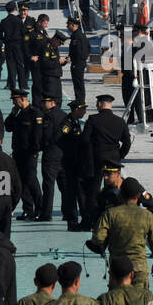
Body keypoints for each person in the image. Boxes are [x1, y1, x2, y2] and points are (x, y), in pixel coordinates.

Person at [91, 177, 153, 290]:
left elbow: (98, 238)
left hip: (118, 268)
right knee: (140, 303)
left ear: (121, 195)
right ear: (138, 196)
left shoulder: (110, 214)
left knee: (116, 303)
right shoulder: (147, 216)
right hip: (139, 268)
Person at [95, 164, 153, 243]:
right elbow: (100, 217)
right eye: (104, 174)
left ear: (118, 174)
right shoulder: (104, 194)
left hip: (135, 224)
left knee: (149, 217)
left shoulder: (132, 186)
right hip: (117, 230)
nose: (105, 177)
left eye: (109, 174)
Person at [82, 94, 131, 214]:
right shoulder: (120, 121)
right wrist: (120, 155)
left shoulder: (93, 119)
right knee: (114, 187)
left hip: (97, 158)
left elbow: (84, 140)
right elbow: (127, 142)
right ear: (111, 105)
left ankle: (91, 216)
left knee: (94, 189)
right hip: (114, 158)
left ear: (99, 104)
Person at [5, 89, 44, 221]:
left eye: (15, 100)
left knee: (31, 181)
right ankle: (28, 210)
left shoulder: (35, 113)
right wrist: (12, 114)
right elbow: (8, 127)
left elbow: (37, 135)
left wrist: (34, 151)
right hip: (18, 152)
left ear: (22, 99)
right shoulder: (19, 114)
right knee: (21, 182)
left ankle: (40, 208)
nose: (13, 102)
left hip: (29, 153)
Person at [60, 99, 92, 231]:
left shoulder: (76, 122)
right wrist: (70, 151)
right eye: (82, 109)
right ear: (76, 110)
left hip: (77, 162)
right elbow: (59, 138)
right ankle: (72, 221)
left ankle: (83, 220)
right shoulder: (67, 123)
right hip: (70, 163)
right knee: (72, 192)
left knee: (79, 191)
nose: (84, 111)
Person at [37, 95, 66, 222]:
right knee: (64, 186)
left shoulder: (48, 116)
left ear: (52, 103)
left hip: (51, 154)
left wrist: (42, 146)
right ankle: (68, 212)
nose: (43, 104)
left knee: (48, 185)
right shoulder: (64, 115)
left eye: (45, 102)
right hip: (64, 153)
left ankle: (46, 213)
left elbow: (47, 136)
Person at [0, 2, 26, 93]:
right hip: (18, 45)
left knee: (10, 66)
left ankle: (12, 85)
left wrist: (5, 41)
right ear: (15, 9)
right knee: (20, 65)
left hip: (8, 45)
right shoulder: (19, 21)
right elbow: (23, 33)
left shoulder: (4, 21)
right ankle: (22, 85)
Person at [25, 13, 50, 106]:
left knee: (43, 84)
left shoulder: (44, 32)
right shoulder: (32, 32)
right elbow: (25, 47)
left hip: (44, 62)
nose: (46, 25)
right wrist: (30, 56)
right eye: (45, 23)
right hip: (36, 63)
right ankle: (36, 104)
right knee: (37, 84)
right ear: (39, 22)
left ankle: (42, 103)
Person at [66, 15, 89, 102]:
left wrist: (79, 60)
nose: (67, 27)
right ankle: (79, 99)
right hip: (77, 62)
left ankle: (80, 100)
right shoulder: (76, 35)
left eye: (68, 25)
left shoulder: (79, 36)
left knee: (79, 83)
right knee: (77, 83)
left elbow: (84, 50)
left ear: (74, 25)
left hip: (78, 63)